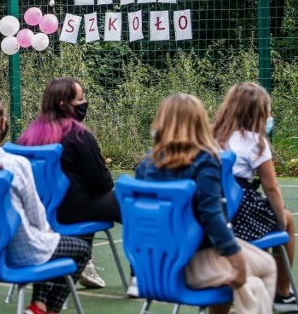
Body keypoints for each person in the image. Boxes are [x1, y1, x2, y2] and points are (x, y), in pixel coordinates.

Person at [0, 92, 90, 314]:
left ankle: (39, 307)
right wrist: (47, 231)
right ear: (2, 123)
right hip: (21, 253)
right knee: (80, 248)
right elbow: (36, 216)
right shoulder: (15, 165)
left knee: (50, 244)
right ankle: (46, 309)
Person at [136, 93, 276, 314]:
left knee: (251, 285)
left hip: (153, 266)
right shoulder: (204, 161)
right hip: (195, 261)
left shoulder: (146, 164)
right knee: (266, 268)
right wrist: (237, 263)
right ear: (200, 121)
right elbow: (212, 216)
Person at [17, 77, 129, 294]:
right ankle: (138, 276)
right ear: (63, 104)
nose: (84, 102)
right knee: (127, 203)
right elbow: (102, 183)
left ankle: (84, 260)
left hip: (39, 214)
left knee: (92, 203)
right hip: (71, 211)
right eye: (80, 98)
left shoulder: (28, 137)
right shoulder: (79, 135)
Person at [213, 82, 296, 311]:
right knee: (287, 220)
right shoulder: (255, 142)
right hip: (240, 212)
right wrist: (279, 220)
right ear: (259, 113)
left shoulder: (214, 137)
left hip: (214, 215)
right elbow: (271, 188)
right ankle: (283, 292)